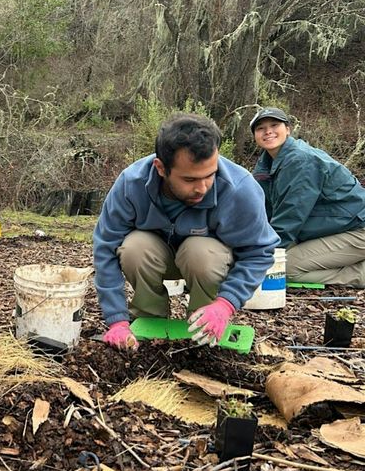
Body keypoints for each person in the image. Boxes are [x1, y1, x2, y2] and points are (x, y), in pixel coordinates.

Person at [93, 113, 279, 350]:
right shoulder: (132, 184)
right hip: (154, 256)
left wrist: (225, 304)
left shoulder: (239, 189)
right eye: (190, 179)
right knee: (134, 247)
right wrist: (116, 319)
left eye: (210, 175)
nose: (202, 188)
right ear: (161, 168)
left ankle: (203, 326)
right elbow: (105, 248)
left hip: (208, 260)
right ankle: (149, 324)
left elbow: (259, 251)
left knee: (200, 251)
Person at [251, 107, 365, 286]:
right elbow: (263, 210)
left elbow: (291, 215)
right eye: (260, 128)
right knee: (276, 258)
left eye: (274, 125)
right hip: (334, 228)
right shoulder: (267, 163)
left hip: (357, 229)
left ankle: (360, 272)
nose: (268, 132)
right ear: (255, 135)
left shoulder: (300, 161)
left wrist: (260, 255)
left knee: (283, 269)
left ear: (288, 129)